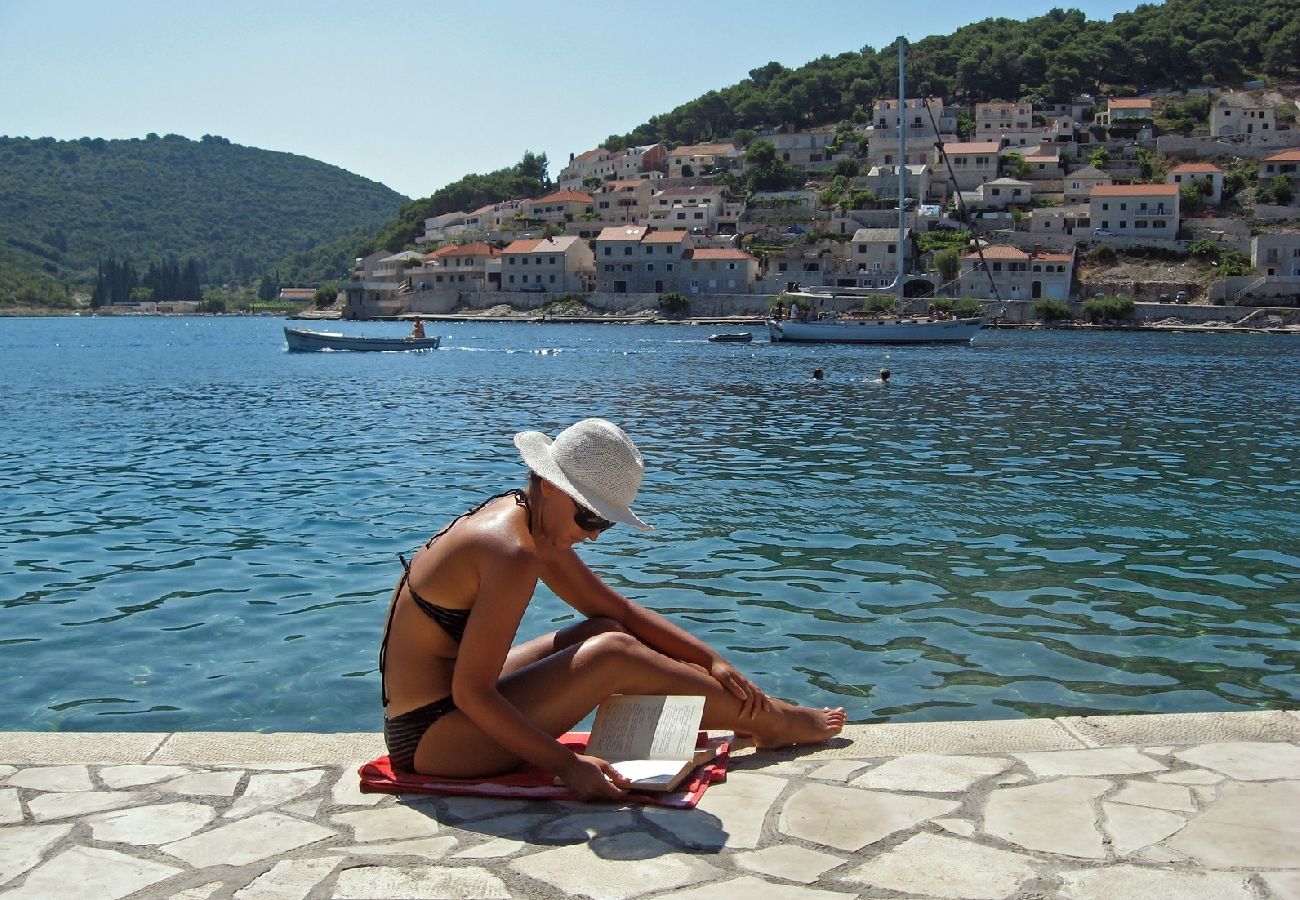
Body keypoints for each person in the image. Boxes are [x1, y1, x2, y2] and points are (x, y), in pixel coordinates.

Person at [378, 418, 845, 800]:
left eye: (605, 522)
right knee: (613, 653)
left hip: (436, 722)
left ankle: (756, 715)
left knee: (602, 629)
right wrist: (567, 765)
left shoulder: (523, 516)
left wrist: (712, 660)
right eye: (591, 517)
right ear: (550, 486)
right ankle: (775, 722)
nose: (595, 534)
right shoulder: (511, 552)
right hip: (433, 742)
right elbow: (472, 694)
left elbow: (613, 609)